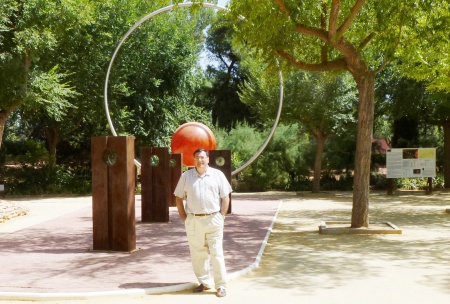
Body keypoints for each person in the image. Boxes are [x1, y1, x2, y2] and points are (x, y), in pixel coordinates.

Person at [173, 148, 232, 298]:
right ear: (194, 160)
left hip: (214, 219)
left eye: (202, 157)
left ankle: (220, 286)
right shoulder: (186, 176)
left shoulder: (217, 175)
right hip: (193, 220)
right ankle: (204, 282)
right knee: (197, 254)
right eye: (197, 158)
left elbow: (225, 197)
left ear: (207, 159)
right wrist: (185, 219)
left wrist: (221, 216)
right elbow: (178, 198)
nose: (200, 160)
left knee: (216, 253)